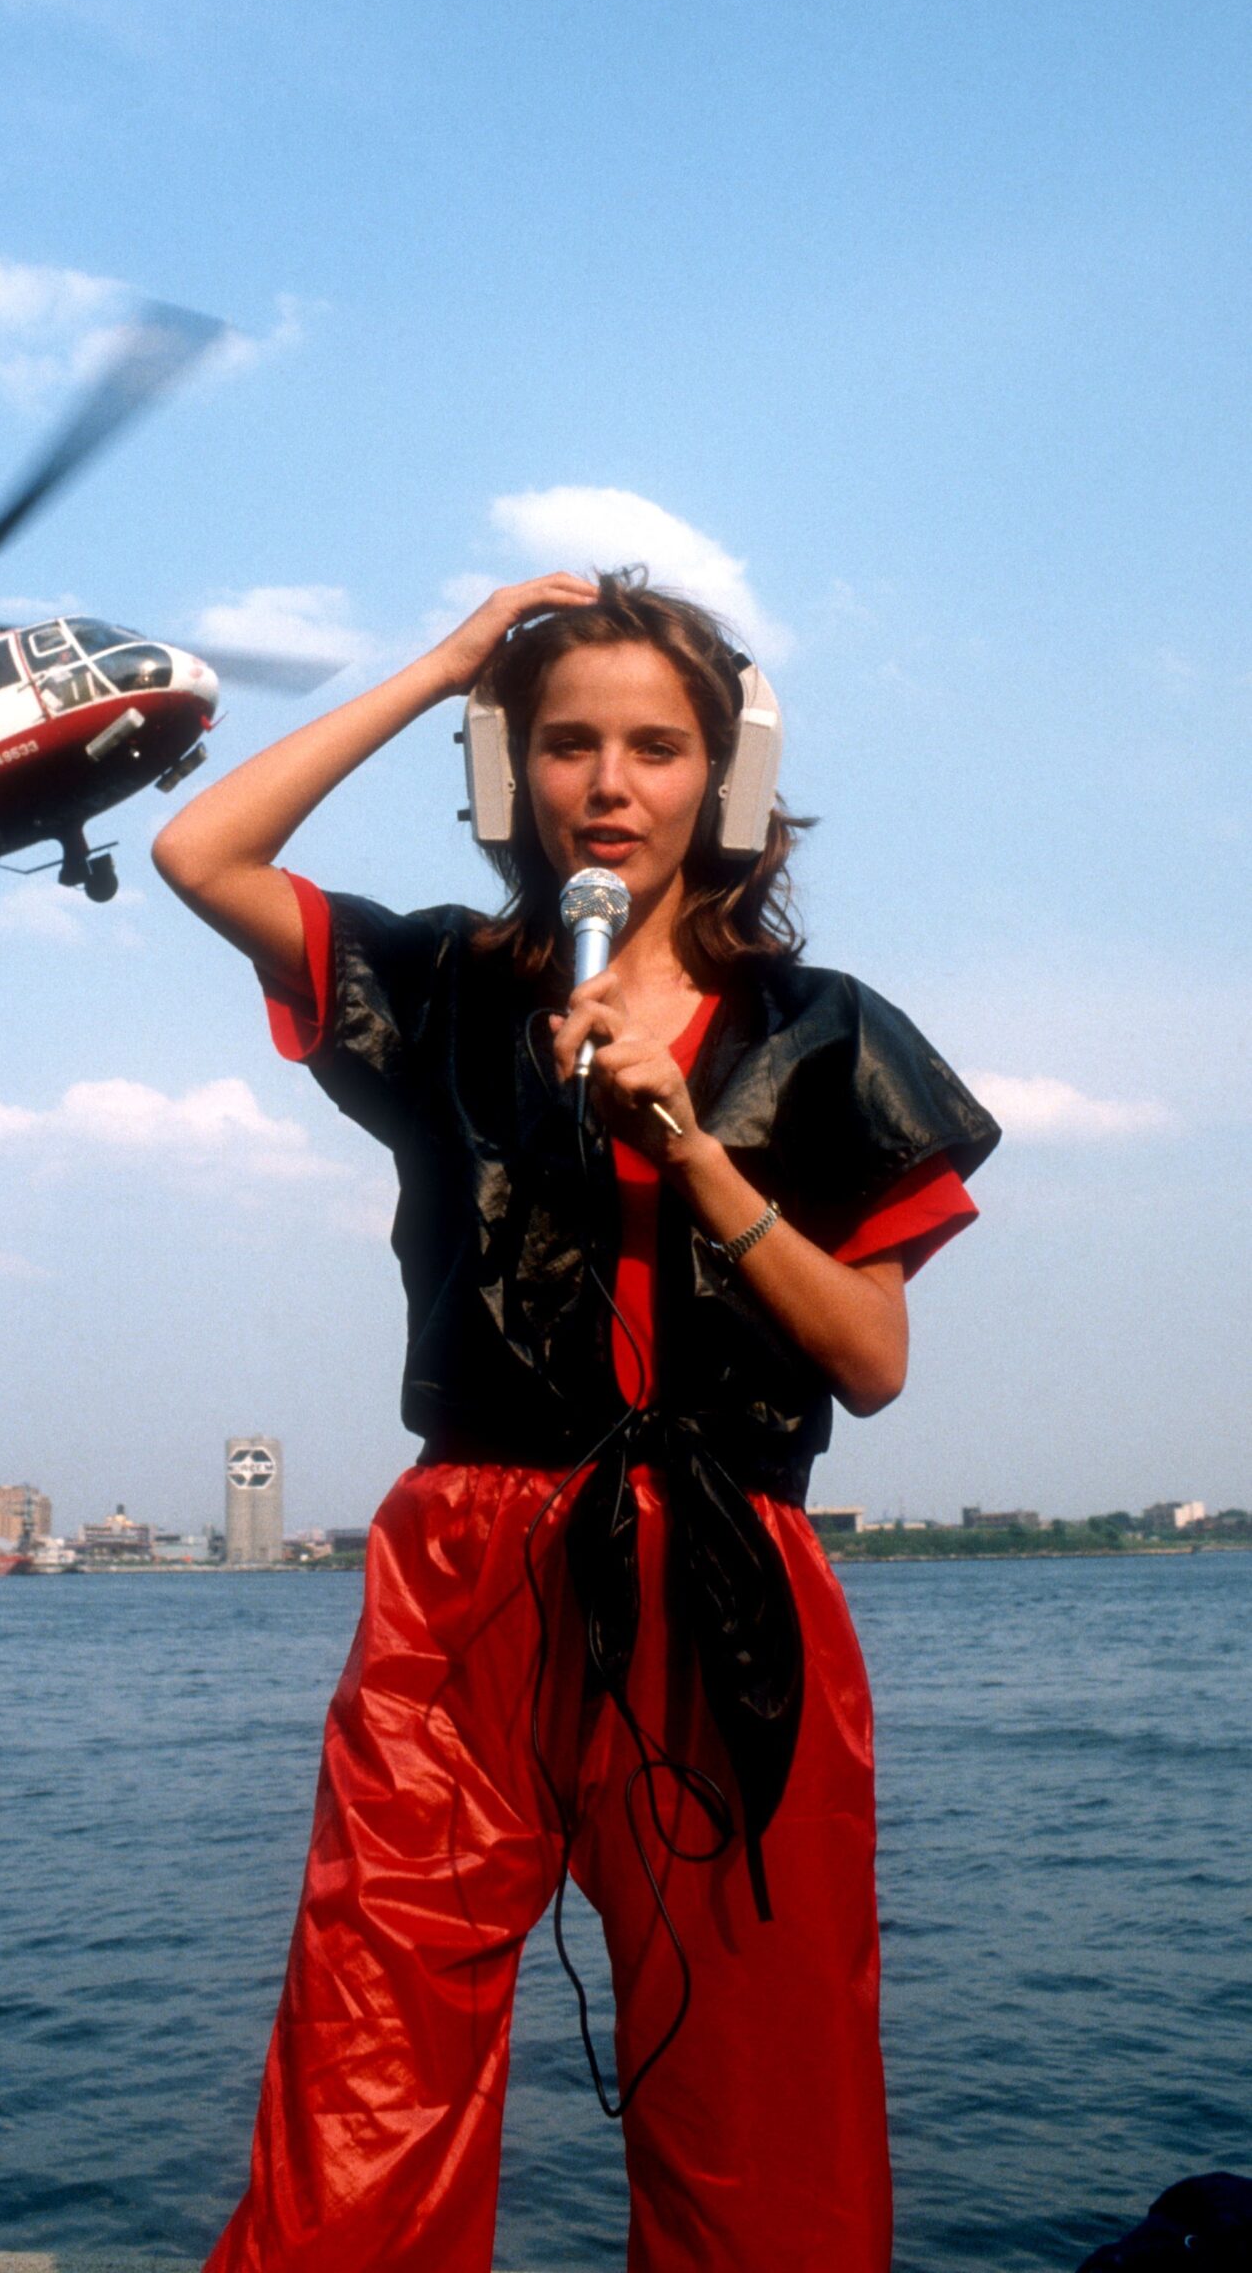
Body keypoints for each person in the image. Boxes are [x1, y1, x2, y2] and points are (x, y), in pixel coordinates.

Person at [153, 570, 998, 2273]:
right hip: (467, 1571)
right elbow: (200, 855)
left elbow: (870, 1361)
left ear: (726, 782)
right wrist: (449, 663)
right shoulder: (436, 991)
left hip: (725, 1583)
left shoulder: (824, 1041)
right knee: (371, 2026)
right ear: (506, 775)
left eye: (655, 746)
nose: (608, 783)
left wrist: (691, 1145)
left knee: (763, 2069)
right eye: (560, 744)